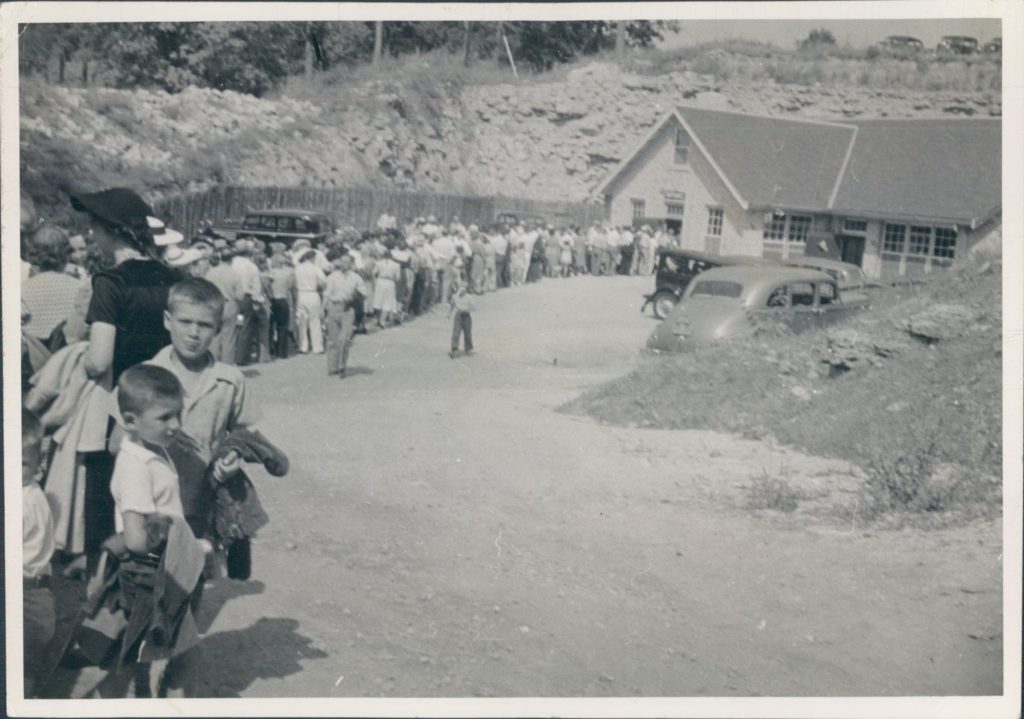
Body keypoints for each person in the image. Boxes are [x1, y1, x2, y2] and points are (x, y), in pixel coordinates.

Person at [72, 187, 183, 570]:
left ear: (109, 230)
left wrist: (77, 357)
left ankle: (103, 586)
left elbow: (99, 360)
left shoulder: (110, 282)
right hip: (162, 403)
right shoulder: (173, 277)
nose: (92, 236)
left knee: (109, 498)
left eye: (95, 228)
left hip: (116, 406)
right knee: (154, 493)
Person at [106, 364, 205, 697]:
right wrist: (183, 548)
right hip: (150, 572)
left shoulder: (150, 451)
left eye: (178, 414)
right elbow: (135, 538)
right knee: (180, 655)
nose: (175, 425)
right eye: (165, 418)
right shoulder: (135, 466)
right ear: (131, 422)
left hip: (158, 570)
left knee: (160, 654)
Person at [22, 409, 56, 698]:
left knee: (24, 670)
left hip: (27, 596)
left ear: (37, 466)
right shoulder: (29, 493)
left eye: (20, 463)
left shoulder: (23, 502)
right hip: (36, 592)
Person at [21, 223, 86, 345]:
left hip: (31, 360)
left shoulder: (20, 291)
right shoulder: (82, 288)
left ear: (31, 254)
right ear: (66, 254)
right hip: (67, 359)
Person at [323, 251, 367, 379]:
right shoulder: (332, 276)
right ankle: (332, 367)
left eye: (346, 262)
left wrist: (354, 298)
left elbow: (364, 293)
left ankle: (342, 366)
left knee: (345, 339)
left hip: (348, 310)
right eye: (341, 261)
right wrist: (323, 309)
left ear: (352, 264)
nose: (343, 264)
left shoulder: (356, 278)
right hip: (333, 307)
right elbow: (327, 294)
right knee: (332, 340)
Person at [203, 245, 244, 364]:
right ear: (231, 259)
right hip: (230, 304)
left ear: (220, 258)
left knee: (214, 336)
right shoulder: (234, 274)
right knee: (229, 337)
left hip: (214, 303)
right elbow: (240, 296)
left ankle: (212, 363)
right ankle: (227, 366)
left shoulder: (211, 272)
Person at [230, 240, 267, 366]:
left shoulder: (231, 263)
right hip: (245, 298)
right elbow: (256, 287)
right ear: (248, 252)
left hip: (231, 297)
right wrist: (257, 299)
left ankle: (229, 355)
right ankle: (241, 358)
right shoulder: (251, 266)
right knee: (245, 327)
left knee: (232, 326)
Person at [293, 249, 326, 354]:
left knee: (302, 322)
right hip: (312, 293)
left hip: (301, 293)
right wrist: (320, 286)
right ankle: (317, 347)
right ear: (312, 258)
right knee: (315, 321)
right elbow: (324, 281)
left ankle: (303, 346)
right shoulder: (315, 268)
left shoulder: (297, 268)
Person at [266, 253, 296, 360]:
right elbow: (292, 286)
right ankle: (282, 352)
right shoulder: (289, 272)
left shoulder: (271, 272)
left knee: (270, 326)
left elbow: (267, 286)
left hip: (273, 299)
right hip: (283, 299)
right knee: (283, 326)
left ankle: (270, 349)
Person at [372, 250, 401, 328]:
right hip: (390, 282)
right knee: (387, 301)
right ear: (391, 256)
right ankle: (382, 321)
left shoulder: (379, 263)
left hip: (380, 281)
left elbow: (373, 273)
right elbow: (398, 277)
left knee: (378, 300)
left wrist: (375, 281)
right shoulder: (396, 265)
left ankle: (377, 319)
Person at [448, 282, 474, 359]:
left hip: (466, 316)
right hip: (458, 316)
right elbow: (452, 305)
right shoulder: (455, 297)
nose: (461, 290)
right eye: (460, 288)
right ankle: (454, 348)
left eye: (463, 289)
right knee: (456, 332)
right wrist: (449, 313)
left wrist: (467, 309)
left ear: (466, 290)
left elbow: (473, 307)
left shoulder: (469, 297)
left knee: (467, 333)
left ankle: (468, 348)